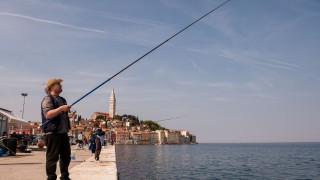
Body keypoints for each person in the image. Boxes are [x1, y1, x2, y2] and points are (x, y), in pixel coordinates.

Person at [41, 78, 75, 180]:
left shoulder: (63, 99)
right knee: (52, 158)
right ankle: (51, 178)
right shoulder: (48, 99)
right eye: (59, 84)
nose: (61, 86)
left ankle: (65, 177)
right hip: (52, 133)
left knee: (66, 157)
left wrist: (71, 115)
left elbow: (61, 115)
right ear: (52, 87)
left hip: (63, 133)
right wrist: (61, 108)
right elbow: (48, 115)